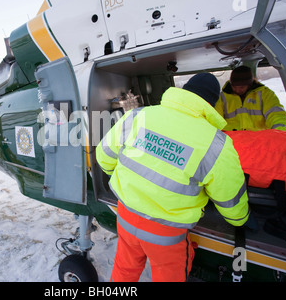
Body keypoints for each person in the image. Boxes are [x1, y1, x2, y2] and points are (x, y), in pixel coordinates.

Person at [96, 73, 250, 282]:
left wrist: (127, 182)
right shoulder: (217, 144)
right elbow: (229, 197)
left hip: (126, 215)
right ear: (211, 104)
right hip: (165, 233)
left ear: (183, 91)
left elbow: (103, 156)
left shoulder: (138, 116)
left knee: (125, 269)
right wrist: (239, 219)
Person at [215, 66, 286, 131]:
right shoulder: (222, 97)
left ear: (249, 84)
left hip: (260, 141)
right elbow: (216, 120)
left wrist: (282, 132)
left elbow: (275, 114)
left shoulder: (265, 94)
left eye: (241, 87)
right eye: (234, 87)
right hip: (233, 141)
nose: (237, 90)